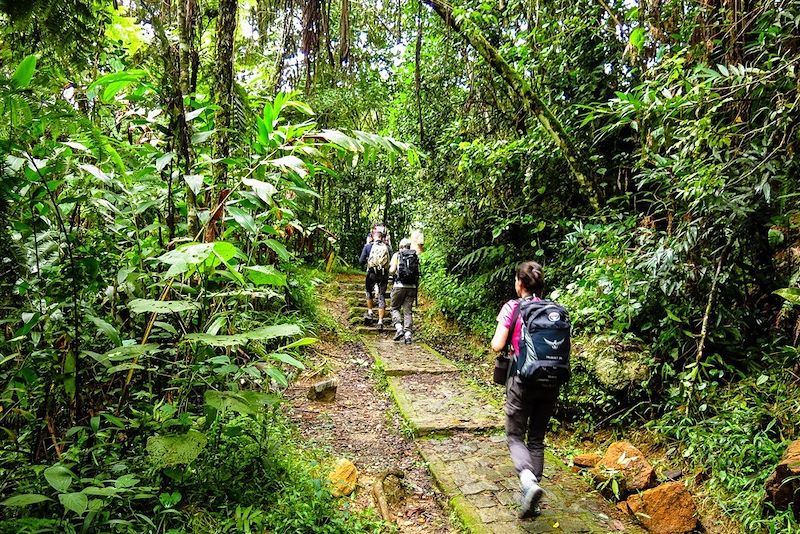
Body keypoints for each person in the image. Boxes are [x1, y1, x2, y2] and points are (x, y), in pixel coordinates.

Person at [490, 261, 558, 519]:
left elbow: (498, 345)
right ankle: (533, 498)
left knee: (515, 436)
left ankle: (528, 483)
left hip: (522, 380)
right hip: (551, 382)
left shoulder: (513, 307)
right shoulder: (554, 311)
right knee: (537, 439)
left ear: (520, 283)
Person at [359, 231, 392, 329]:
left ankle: (370, 312)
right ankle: (380, 321)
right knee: (381, 296)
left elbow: (361, 261)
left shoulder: (368, 247)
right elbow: (390, 262)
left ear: (373, 237)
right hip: (383, 275)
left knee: (369, 291)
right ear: (382, 238)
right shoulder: (388, 248)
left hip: (372, 274)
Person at [388, 238, 419, 344]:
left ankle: (399, 328)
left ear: (401, 246)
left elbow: (392, 271)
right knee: (407, 311)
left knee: (394, 308)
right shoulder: (415, 256)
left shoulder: (397, 255)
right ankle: (408, 335)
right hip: (412, 287)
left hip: (399, 286)